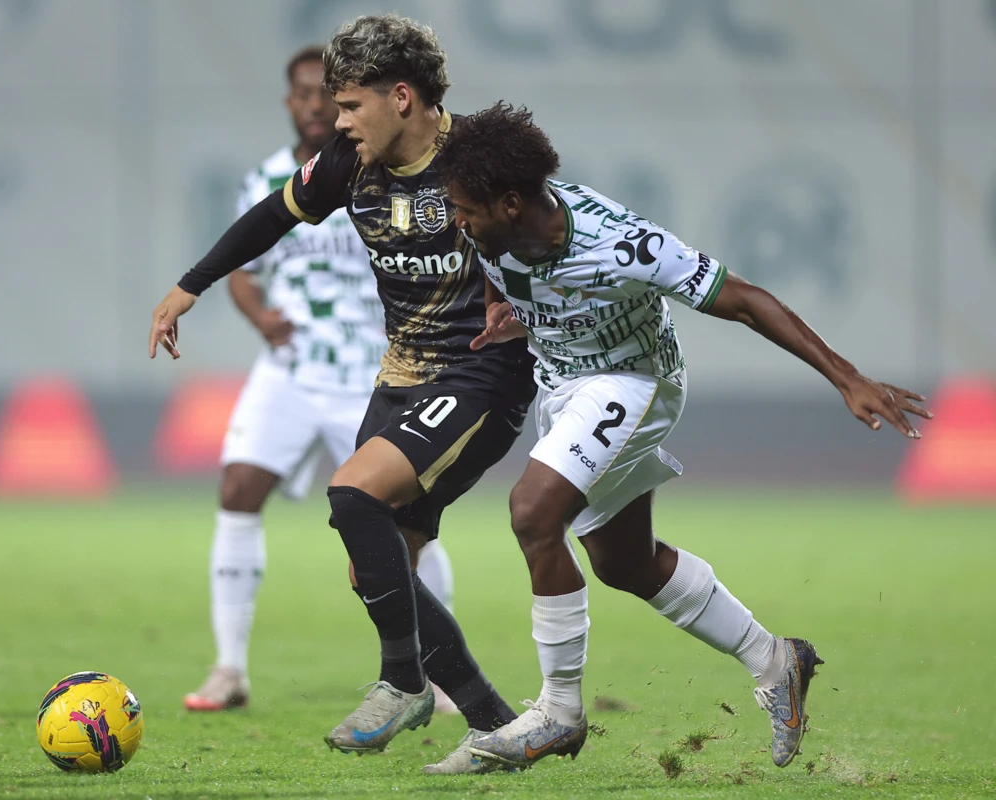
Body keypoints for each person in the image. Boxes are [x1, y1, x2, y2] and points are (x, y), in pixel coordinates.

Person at [435, 102, 931, 769]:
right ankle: (775, 659)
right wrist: (506, 311)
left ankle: (558, 713)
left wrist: (847, 378)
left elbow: (748, 300)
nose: (458, 222)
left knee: (532, 511)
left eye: (466, 209)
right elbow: (508, 273)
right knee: (622, 563)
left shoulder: (623, 244)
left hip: (633, 384)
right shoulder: (494, 233)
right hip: (564, 388)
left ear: (513, 203)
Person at [150, 17, 538, 775]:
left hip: (480, 374)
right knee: (377, 562)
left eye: (351, 105)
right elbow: (269, 217)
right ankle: (495, 722)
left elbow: (557, 234)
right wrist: (189, 284)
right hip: (401, 375)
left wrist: (525, 302)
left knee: (352, 496)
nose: (338, 120)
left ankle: (403, 683)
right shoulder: (346, 165)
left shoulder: (477, 162)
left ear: (401, 97)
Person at [182, 45, 458, 717]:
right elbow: (246, 266)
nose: (316, 106)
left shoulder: (378, 168)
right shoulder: (271, 178)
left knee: (402, 524)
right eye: (306, 94)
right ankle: (230, 669)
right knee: (238, 487)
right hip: (295, 367)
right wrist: (260, 318)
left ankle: (442, 673)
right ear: (291, 102)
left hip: (372, 368)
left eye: (327, 95)